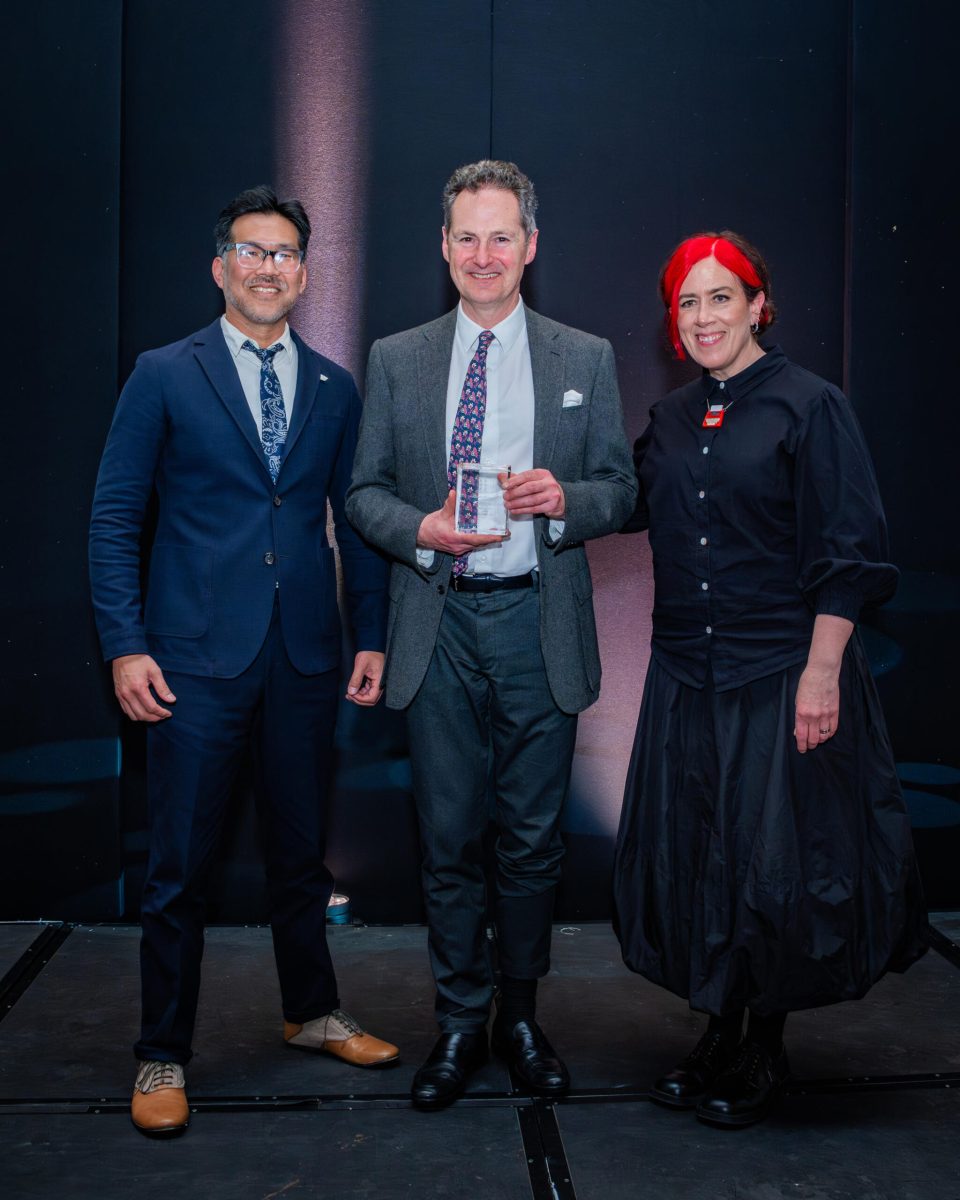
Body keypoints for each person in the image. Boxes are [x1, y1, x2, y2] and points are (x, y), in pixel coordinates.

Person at [89, 185, 398, 1138]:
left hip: (304, 658)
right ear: (220, 265)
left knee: (300, 856)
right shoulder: (162, 374)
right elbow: (114, 517)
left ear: (305, 273)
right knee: (180, 867)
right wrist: (126, 644)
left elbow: (357, 520)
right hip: (191, 663)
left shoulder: (334, 388)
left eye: (285, 254)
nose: (269, 267)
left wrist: (371, 634)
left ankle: (312, 1012)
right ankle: (161, 1053)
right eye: (252, 251)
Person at [613, 230, 926, 1128]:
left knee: (772, 868)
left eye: (722, 296)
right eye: (688, 301)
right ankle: (719, 1030)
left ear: (758, 305)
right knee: (704, 862)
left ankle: (763, 1045)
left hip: (781, 673)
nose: (704, 316)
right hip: (688, 675)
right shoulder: (673, 418)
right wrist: (556, 495)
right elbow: (630, 501)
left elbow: (849, 553)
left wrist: (823, 675)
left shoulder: (811, 406)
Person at [346, 160, 636, 1109]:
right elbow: (362, 494)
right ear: (443, 246)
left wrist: (566, 500)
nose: (483, 254)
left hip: (536, 622)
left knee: (533, 841)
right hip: (437, 621)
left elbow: (621, 489)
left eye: (501, 236)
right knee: (446, 839)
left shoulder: (583, 357)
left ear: (530, 245)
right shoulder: (397, 358)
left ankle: (520, 1016)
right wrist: (421, 530)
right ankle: (460, 1022)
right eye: (467, 236)